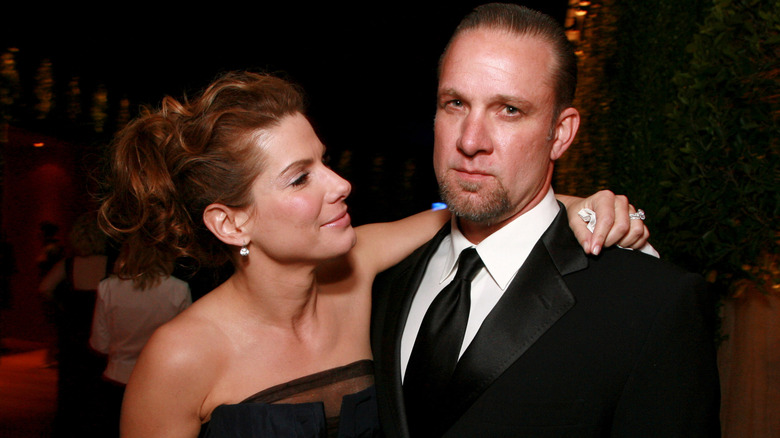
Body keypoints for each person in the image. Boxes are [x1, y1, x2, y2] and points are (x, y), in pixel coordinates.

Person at [99, 71, 648, 437]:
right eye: (299, 179)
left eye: (325, 161)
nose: (340, 184)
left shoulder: (356, 267)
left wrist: (585, 205)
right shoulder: (179, 356)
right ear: (230, 221)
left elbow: (469, 211)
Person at [370, 4, 720, 437]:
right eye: (456, 103)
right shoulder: (381, 281)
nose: (470, 140)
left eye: (509, 110)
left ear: (561, 133)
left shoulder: (650, 305)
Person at [89, 260, 192, 437]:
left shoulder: (108, 287)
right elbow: (188, 344)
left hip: (117, 378)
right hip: (161, 383)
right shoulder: (178, 289)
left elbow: (100, 344)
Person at [39, 212, 110, 436]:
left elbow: (44, 289)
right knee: (97, 386)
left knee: (70, 386)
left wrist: (61, 307)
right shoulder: (111, 265)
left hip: (72, 333)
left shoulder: (67, 264)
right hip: (102, 335)